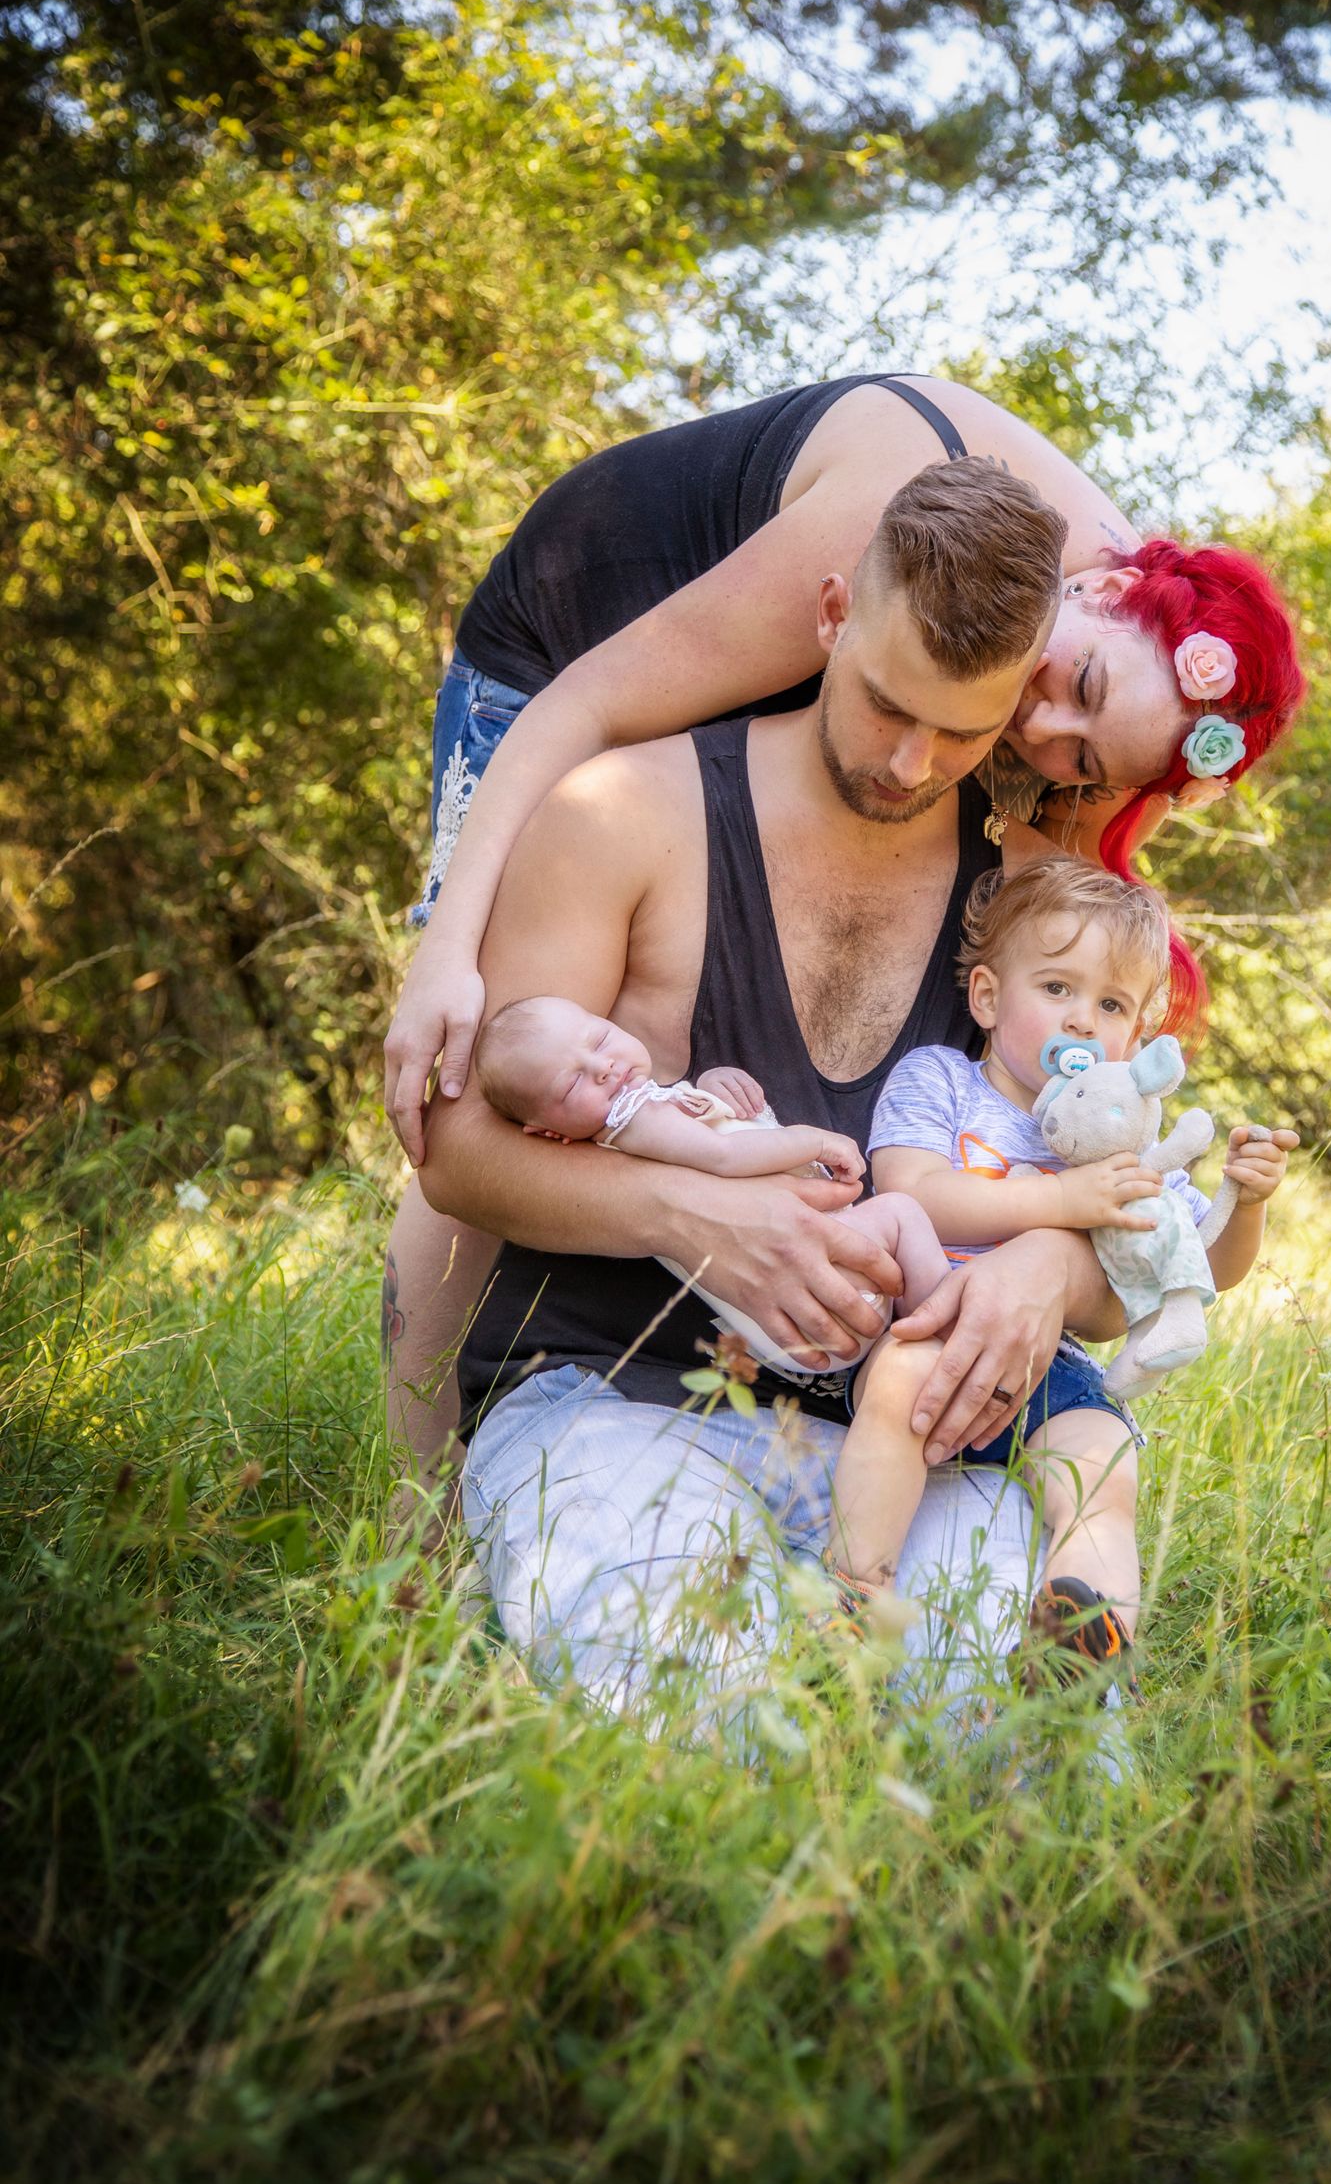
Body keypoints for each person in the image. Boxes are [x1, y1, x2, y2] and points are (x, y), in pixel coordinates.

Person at [382, 372, 1306, 1496]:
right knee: (519, 1064)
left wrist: (1051, 1256)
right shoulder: (895, 528)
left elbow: (1054, 1008)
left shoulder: (1069, 681)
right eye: (1076, 681)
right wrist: (446, 948)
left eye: (1081, 757)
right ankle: (419, 1509)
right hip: (565, 656)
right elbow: (584, 706)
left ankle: (761, 1409)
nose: (1042, 723)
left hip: (835, 689)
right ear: (1103, 583)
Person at [420, 458, 1150, 1693]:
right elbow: (452, 1155)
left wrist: (1048, 1264)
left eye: (963, 728)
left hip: (916, 1454)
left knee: (1038, 1767)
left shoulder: (1034, 909)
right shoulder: (622, 814)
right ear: (830, 618)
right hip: (614, 1405)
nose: (913, 761)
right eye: (883, 703)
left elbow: (1126, 1226)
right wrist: (688, 1214)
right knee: (697, 1713)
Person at [823, 858, 1298, 1692]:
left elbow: (1200, 1269)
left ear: (1135, 1040)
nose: (1082, 1021)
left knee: (1106, 1463)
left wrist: (1245, 1201)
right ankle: (857, 1593)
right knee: (898, 1389)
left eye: (1110, 1005)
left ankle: (1081, 1628)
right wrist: (1063, 1198)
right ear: (987, 998)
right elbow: (914, 1192)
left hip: (1057, 1366)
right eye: (1056, 988)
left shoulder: (1130, 1147)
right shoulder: (942, 1081)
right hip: (933, 1329)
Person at [472, 990, 950, 1375]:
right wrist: (815, 1142)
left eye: (599, 1040)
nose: (603, 1067)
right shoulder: (632, 1119)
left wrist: (713, 1090)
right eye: (572, 1084)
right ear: (549, 1133)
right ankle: (948, 1331)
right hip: (817, 1288)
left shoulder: (642, 1120)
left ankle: (909, 1361)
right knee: (901, 1212)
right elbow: (726, 1155)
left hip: (795, 1321)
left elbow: (724, 1135)